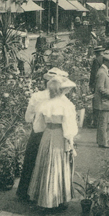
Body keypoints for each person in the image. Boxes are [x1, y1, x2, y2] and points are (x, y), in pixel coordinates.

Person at [16, 68, 69, 202]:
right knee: (52, 164)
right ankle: (49, 196)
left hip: (38, 132)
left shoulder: (37, 96)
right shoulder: (61, 97)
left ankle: (25, 192)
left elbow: (28, 117)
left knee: (31, 160)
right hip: (56, 133)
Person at [27, 76, 78, 209]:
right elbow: (69, 128)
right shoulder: (66, 105)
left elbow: (38, 127)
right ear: (61, 90)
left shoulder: (44, 104)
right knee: (57, 164)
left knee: (45, 164)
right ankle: (57, 199)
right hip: (59, 136)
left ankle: (44, 199)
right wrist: (70, 141)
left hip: (47, 135)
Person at [94, 50, 109, 148]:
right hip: (103, 102)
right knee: (103, 123)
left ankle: (101, 140)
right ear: (106, 62)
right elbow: (100, 89)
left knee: (103, 122)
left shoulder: (104, 71)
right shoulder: (102, 73)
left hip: (105, 102)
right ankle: (103, 142)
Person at [89, 45, 105, 127]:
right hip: (106, 82)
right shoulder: (106, 59)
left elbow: (94, 73)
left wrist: (91, 85)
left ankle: (96, 122)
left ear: (96, 53)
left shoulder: (96, 60)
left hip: (98, 83)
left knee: (96, 102)